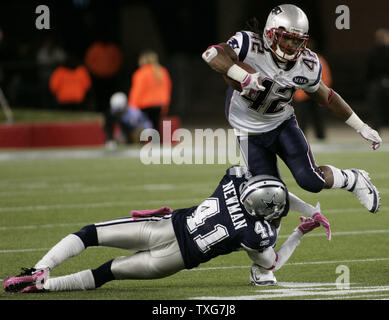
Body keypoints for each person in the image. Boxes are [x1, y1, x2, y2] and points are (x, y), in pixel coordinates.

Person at [3, 166, 329, 293]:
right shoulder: (256, 235)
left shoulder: (232, 181)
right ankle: (44, 288)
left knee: (91, 234)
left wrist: (303, 207)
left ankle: (40, 268)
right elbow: (272, 262)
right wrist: (301, 229)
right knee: (105, 274)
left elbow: (274, 193)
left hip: (163, 228)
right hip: (172, 262)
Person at [202, 4, 382, 217]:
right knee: (268, 199)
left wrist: (360, 126)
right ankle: (272, 246)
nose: (290, 45)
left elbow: (327, 97)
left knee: (311, 181)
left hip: (281, 125)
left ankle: (353, 179)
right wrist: (243, 76)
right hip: (248, 133)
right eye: (285, 38)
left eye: (296, 40)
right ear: (270, 33)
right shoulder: (250, 45)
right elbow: (211, 54)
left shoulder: (306, 64)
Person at [85, 36, 123, 144]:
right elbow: (90, 61)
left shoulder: (112, 49)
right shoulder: (95, 49)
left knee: (110, 106)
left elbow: (118, 61)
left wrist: (112, 72)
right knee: (101, 103)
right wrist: (96, 73)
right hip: (99, 79)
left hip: (111, 79)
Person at [293, 39, 332, 140]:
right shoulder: (296, 60)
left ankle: (321, 137)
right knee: (301, 120)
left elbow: (326, 77)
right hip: (302, 94)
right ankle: (300, 139)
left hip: (316, 93)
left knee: (318, 118)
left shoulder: (319, 60)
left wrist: (322, 93)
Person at [128, 50, 172, 134]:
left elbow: (137, 91)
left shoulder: (141, 73)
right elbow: (167, 88)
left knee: (143, 126)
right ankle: (157, 143)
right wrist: (166, 104)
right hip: (160, 104)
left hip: (145, 105)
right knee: (156, 126)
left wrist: (132, 106)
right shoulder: (162, 71)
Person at [366, 28, 389, 133]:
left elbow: (367, 71)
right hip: (380, 83)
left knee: (376, 109)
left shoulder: (372, 53)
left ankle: (376, 131)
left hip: (375, 84)